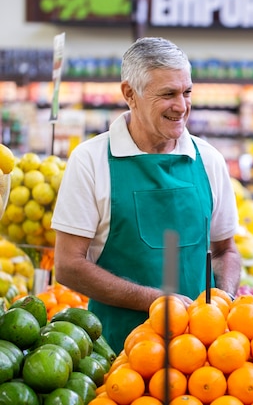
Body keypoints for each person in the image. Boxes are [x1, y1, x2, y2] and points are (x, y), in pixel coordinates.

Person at [51, 37, 241, 354]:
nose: (181, 106)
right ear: (130, 94)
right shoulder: (91, 161)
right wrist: (154, 301)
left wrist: (224, 299)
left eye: (187, 92)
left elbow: (226, 251)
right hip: (116, 355)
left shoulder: (208, 160)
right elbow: (68, 265)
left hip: (201, 361)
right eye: (168, 94)